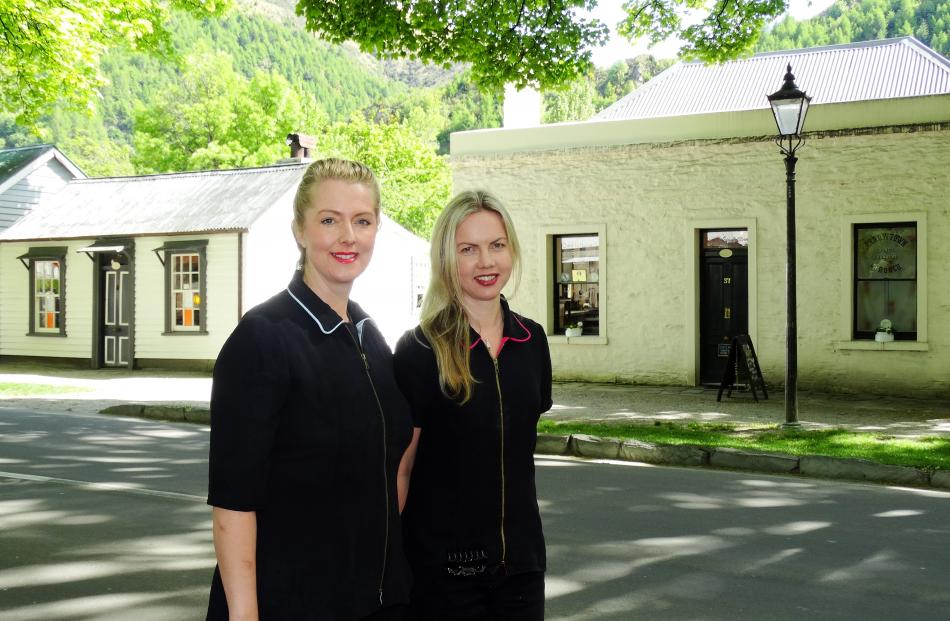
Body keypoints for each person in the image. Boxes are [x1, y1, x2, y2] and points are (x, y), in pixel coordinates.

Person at [206, 158, 412, 620]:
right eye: (329, 220)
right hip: (290, 604)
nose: (348, 237)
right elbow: (233, 505)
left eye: (362, 221)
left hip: (376, 601)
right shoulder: (262, 338)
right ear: (300, 230)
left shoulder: (368, 335)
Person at [394, 190, 552, 620]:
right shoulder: (419, 350)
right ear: (448, 258)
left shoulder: (532, 341)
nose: (486, 262)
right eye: (469, 249)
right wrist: (389, 568)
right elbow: (401, 470)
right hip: (443, 580)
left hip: (521, 573)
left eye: (496, 246)